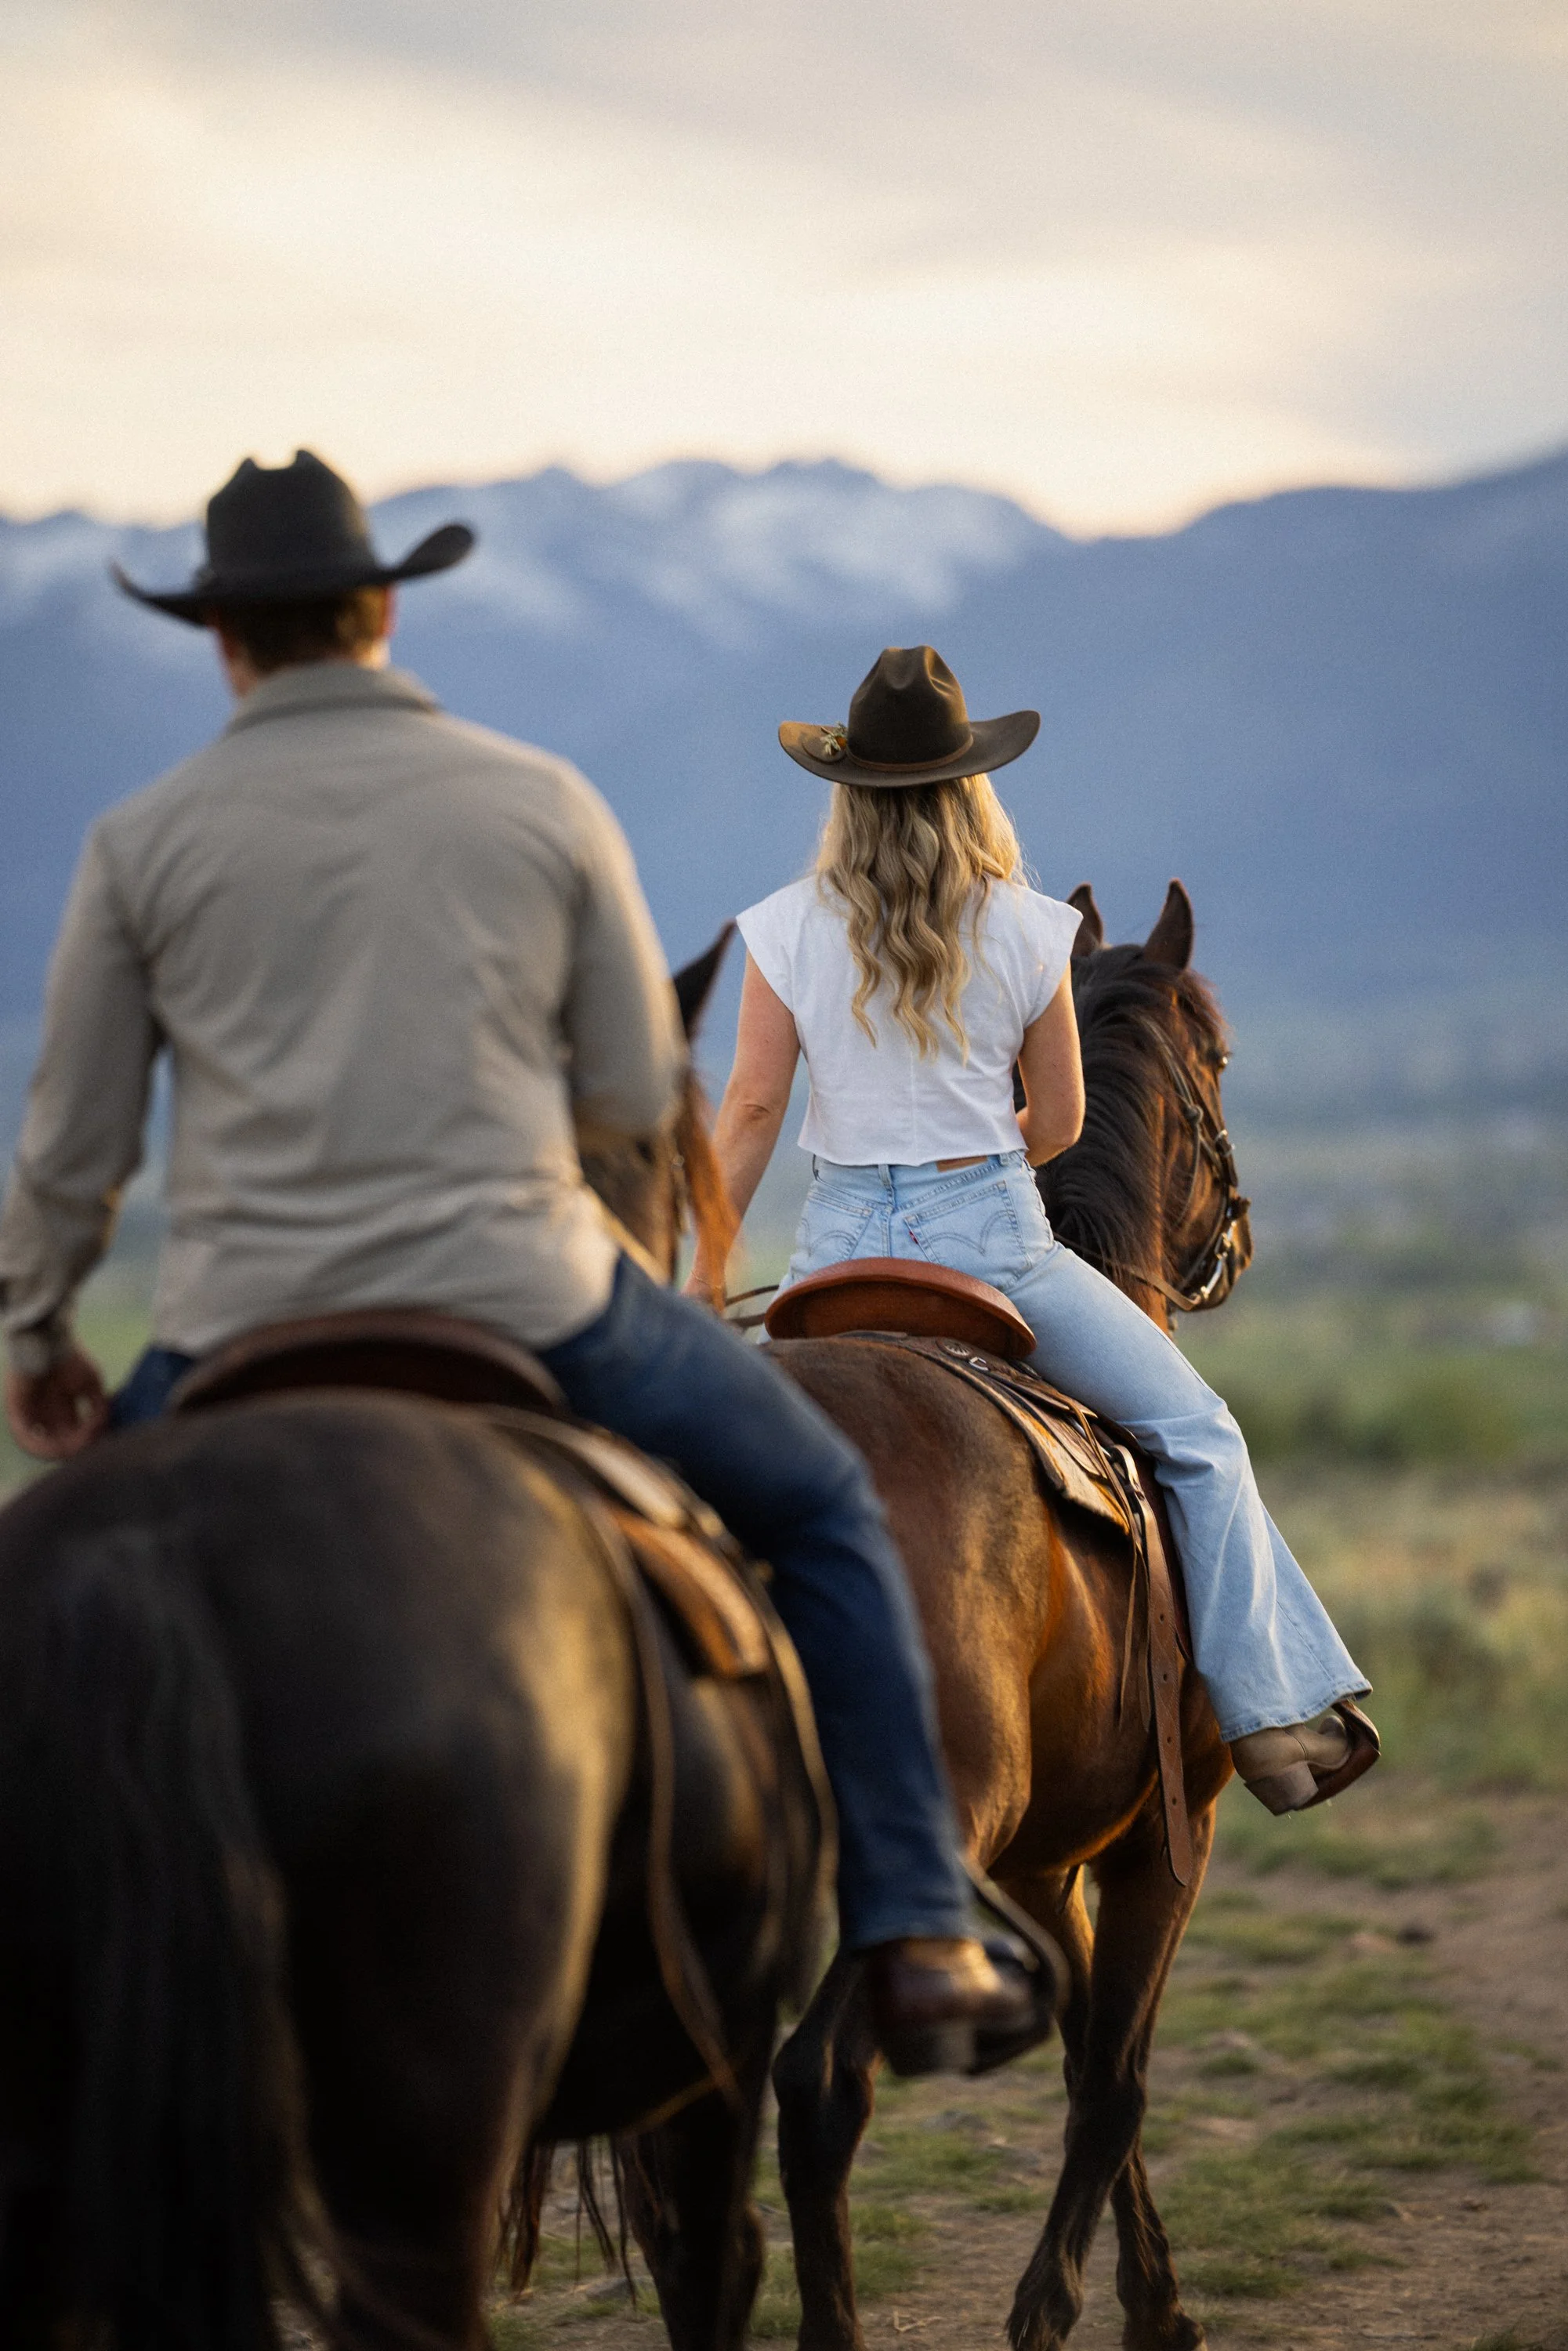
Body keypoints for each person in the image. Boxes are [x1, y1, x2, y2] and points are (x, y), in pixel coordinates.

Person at [0, 458, 1038, 2073]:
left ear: (224, 642)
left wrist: (37, 1323)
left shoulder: (138, 841)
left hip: (234, 1325)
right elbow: (632, 1098)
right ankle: (911, 1923)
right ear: (384, 610)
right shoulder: (540, 799)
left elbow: (72, 1144)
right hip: (533, 1296)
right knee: (827, 1511)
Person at [692, 644, 1378, 1816]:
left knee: (707, 1469)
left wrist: (706, 1272)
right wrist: (973, 1134)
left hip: (837, 1256)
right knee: (1199, 1435)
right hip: (993, 1243)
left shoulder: (783, 928)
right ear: (972, 788)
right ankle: (1270, 1722)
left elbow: (753, 1108)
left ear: (847, 794)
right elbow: (1059, 1124)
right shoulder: (1032, 929)